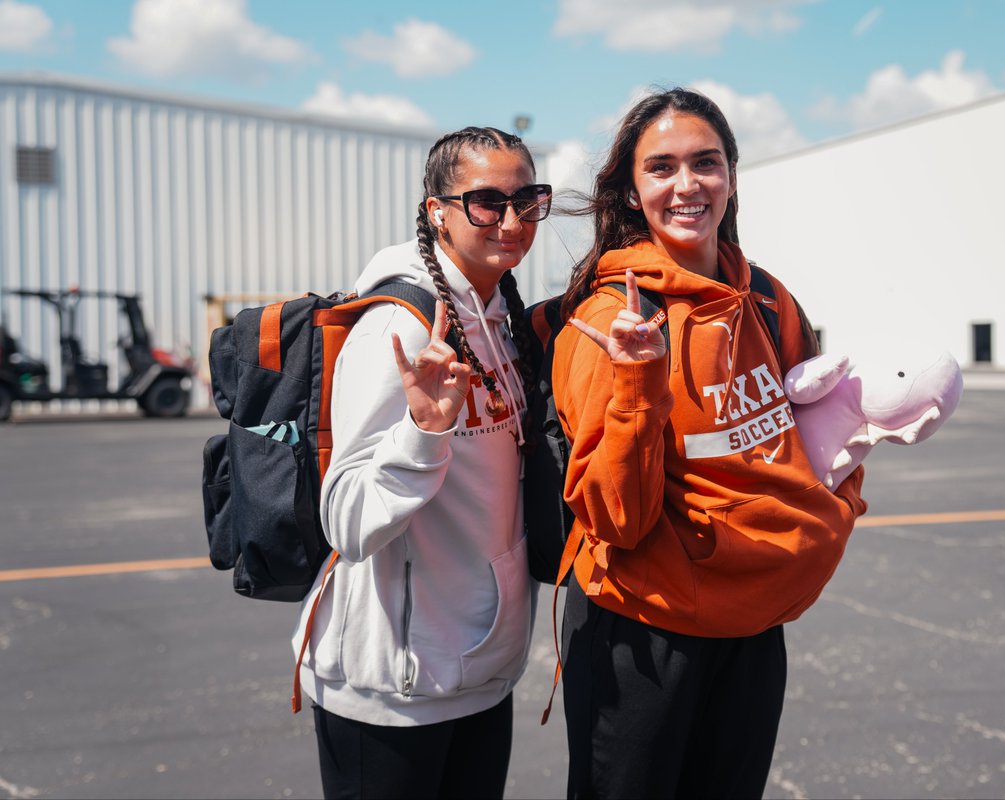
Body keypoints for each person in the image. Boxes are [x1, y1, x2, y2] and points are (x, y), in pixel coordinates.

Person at [552, 88, 869, 799]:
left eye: (706, 163)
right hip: (643, 632)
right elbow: (618, 518)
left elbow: (818, 433)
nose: (687, 184)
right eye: (661, 167)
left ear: (730, 175)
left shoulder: (768, 299)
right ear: (632, 193)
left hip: (754, 624)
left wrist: (836, 511)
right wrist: (638, 380)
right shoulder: (611, 322)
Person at [291, 126, 549, 799]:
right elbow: (347, 523)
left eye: (529, 200)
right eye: (488, 201)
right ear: (437, 210)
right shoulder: (402, 329)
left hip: (475, 671)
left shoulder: (498, 313)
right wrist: (423, 432)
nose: (513, 220)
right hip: (392, 691)